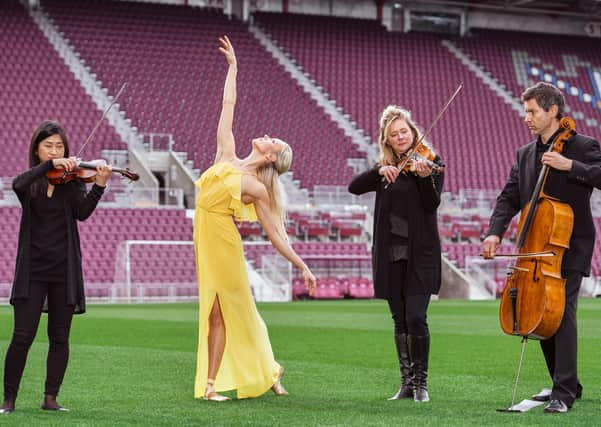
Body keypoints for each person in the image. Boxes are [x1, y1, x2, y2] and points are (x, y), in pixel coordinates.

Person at [193, 36, 316, 402]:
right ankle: (268, 370)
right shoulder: (226, 153)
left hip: (224, 245)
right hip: (204, 239)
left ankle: (213, 385)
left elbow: (276, 235)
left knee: (226, 312)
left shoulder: (258, 189)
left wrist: (302, 265)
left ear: (270, 159)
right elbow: (227, 103)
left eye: (273, 141)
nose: (267, 136)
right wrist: (233, 68)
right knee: (224, 312)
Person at [482, 82, 601, 413]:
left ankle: (563, 392)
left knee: (562, 315)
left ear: (552, 111)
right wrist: (494, 233)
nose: (527, 118)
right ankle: (568, 384)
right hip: (537, 248)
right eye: (525, 112)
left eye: (532, 111)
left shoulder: (583, 146)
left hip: (570, 245)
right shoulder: (524, 155)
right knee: (542, 316)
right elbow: (509, 196)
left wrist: (571, 167)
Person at [0, 121, 112, 414]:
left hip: (64, 271)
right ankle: (8, 400)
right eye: (48, 145)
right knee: (22, 337)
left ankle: (50, 398)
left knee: (60, 338)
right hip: (33, 272)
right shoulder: (31, 183)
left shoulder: (72, 182)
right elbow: (16, 183)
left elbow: (82, 214)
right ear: (37, 150)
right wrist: (49, 164)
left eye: (59, 146)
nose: (55, 150)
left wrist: (99, 185)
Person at [348, 106, 444, 402]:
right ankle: (406, 384)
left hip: (420, 255)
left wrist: (424, 177)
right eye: (394, 134)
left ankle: (422, 385)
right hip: (390, 255)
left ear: (413, 132)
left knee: (417, 317)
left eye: (404, 131)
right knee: (400, 321)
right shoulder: (384, 171)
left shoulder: (430, 163)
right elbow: (354, 187)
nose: (401, 137)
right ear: (386, 141)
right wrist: (379, 170)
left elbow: (432, 204)